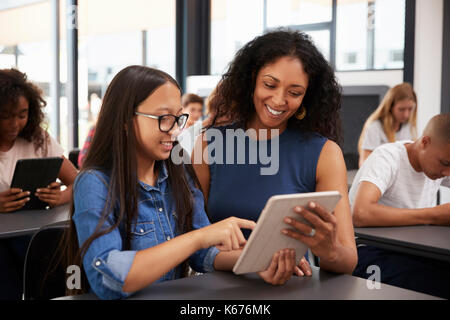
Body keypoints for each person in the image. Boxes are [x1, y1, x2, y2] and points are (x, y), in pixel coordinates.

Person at [65, 66, 299, 300]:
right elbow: (108, 278)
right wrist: (197, 239)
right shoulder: (94, 183)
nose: (176, 130)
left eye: (179, 118)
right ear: (125, 120)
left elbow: (204, 254)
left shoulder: (178, 172)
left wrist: (257, 262)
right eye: (165, 119)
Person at [192, 29, 358, 275]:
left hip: (289, 288)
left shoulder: (324, 153)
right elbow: (191, 243)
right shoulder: (208, 144)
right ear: (252, 79)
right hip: (217, 291)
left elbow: (347, 260)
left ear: (307, 96)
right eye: (270, 84)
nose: (280, 100)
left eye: (295, 93)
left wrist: (328, 249)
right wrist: (256, 261)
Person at [350, 113, 450, 298]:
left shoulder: (439, 163)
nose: (446, 173)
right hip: (365, 251)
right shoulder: (387, 157)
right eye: (445, 163)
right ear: (425, 142)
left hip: (412, 248)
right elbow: (361, 213)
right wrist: (434, 215)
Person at [0, 68, 78, 299]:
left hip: (33, 234)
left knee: (51, 257)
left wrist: (61, 197)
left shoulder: (38, 139)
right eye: (5, 115)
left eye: (22, 114)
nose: (15, 124)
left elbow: (81, 182)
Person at [358, 82, 418, 167]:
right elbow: (364, 164)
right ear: (390, 107)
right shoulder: (375, 127)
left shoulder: (408, 126)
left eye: (410, 109)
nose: (406, 115)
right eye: (401, 109)